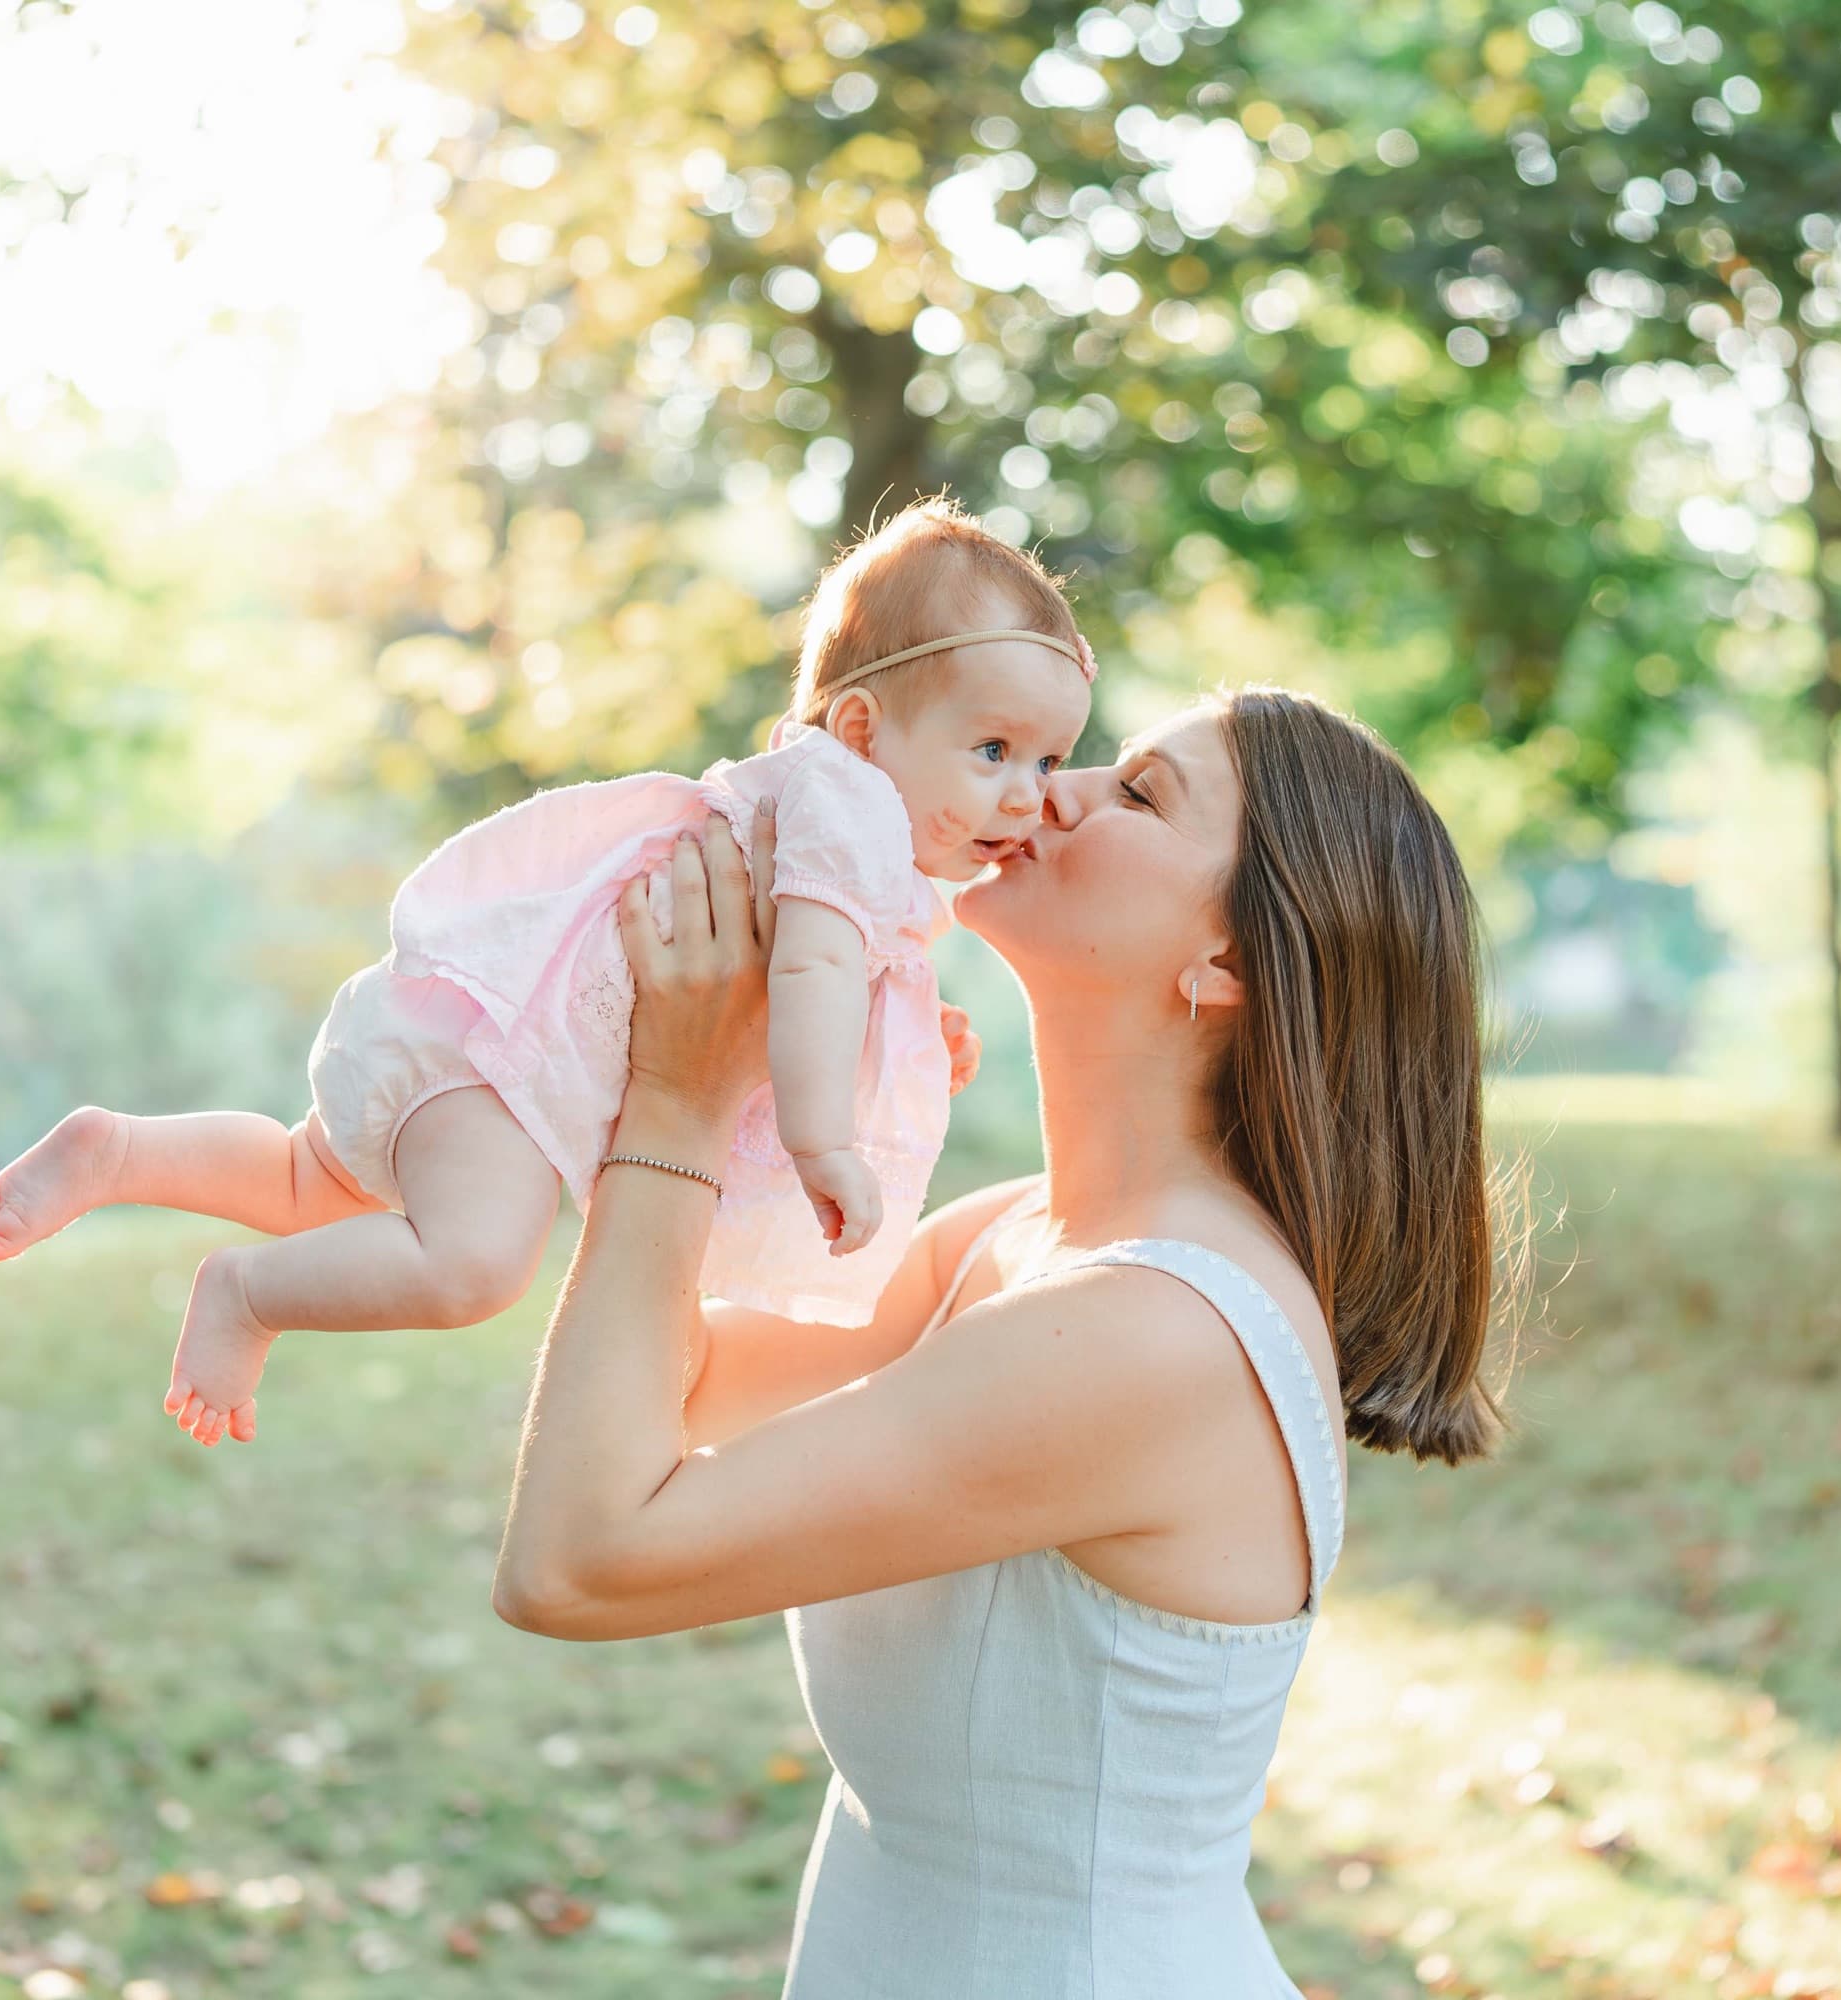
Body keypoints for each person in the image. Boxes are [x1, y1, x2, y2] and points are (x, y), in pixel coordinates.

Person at [493, 686, 1513, 1997]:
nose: (1055, 790)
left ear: (1233, 967)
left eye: (1139, 794)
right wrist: (744, 1079)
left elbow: (577, 1562)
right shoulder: (1016, 1240)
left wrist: (678, 1110)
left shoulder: (1151, 1334)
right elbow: (663, 1383)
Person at [0, 500, 1091, 1445]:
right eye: (992, 749)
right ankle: (247, 1291)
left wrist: (893, 1045)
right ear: (857, 724)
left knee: (313, 1176)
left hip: (475, 1028)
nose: (1026, 791)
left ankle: (120, 1147)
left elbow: (816, 982)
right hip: (505, 1060)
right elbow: (808, 979)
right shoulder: (844, 804)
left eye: (1048, 758)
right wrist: (825, 1140)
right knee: (473, 1264)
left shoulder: (841, 832)